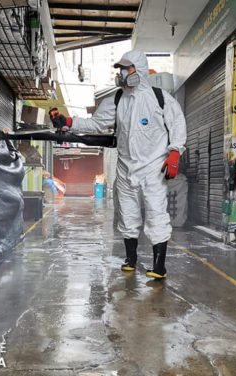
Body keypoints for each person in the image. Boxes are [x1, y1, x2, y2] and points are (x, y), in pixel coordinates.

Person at [49, 50, 186, 280]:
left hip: (154, 168)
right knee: (128, 215)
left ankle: (159, 267)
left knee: (156, 214)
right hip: (125, 168)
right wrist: (70, 122)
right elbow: (96, 123)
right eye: (121, 69)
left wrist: (174, 154)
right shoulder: (117, 99)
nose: (122, 73)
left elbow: (178, 126)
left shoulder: (160, 98)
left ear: (139, 69)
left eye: (127, 68)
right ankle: (131, 259)